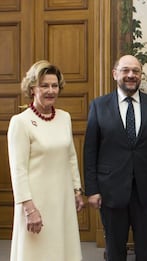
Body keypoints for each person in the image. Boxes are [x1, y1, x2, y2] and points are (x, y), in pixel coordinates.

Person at [83, 55, 147, 261]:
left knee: (146, 247)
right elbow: (90, 151)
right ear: (115, 74)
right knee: (114, 247)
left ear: (141, 75)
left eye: (136, 71)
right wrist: (93, 189)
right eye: (125, 70)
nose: (131, 75)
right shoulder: (99, 106)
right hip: (111, 190)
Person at [7, 60, 84, 261]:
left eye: (54, 85)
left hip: (63, 200)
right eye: (44, 85)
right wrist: (29, 209)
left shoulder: (64, 117)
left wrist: (76, 189)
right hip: (35, 203)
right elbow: (18, 170)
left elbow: (70, 155)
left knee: (63, 251)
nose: (51, 90)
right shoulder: (20, 122)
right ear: (33, 89)